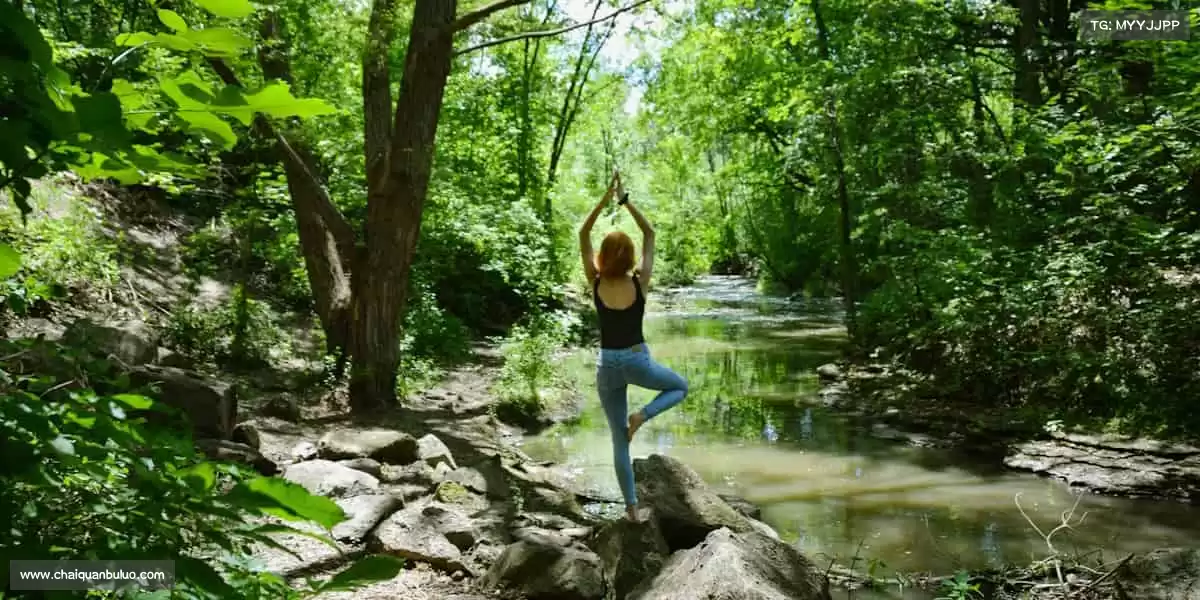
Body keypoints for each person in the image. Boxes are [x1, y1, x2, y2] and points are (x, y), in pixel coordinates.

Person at [578, 170, 689, 522]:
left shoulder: (595, 282)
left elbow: (583, 233)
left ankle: (631, 510)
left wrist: (604, 199)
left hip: (607, 366)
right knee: (680, 387)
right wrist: (624, 200)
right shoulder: (640, 282)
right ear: (629, 257)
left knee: (619, 441)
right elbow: (650, 233)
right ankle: (642, 416)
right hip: (638, 360)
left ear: (603, 256)